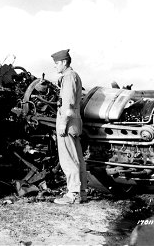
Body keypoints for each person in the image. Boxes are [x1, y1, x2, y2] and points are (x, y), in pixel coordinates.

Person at [51, 49, 88, 204]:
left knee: (68, 159)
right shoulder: (74, 76)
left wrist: (63, 124)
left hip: (67, 122)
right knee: (78, 157)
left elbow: (68, 103)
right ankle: (82, 193)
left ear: (64, 62)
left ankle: (73, 194)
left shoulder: (68, 77)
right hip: (76, 121)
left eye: (56, 63)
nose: (55, 67)